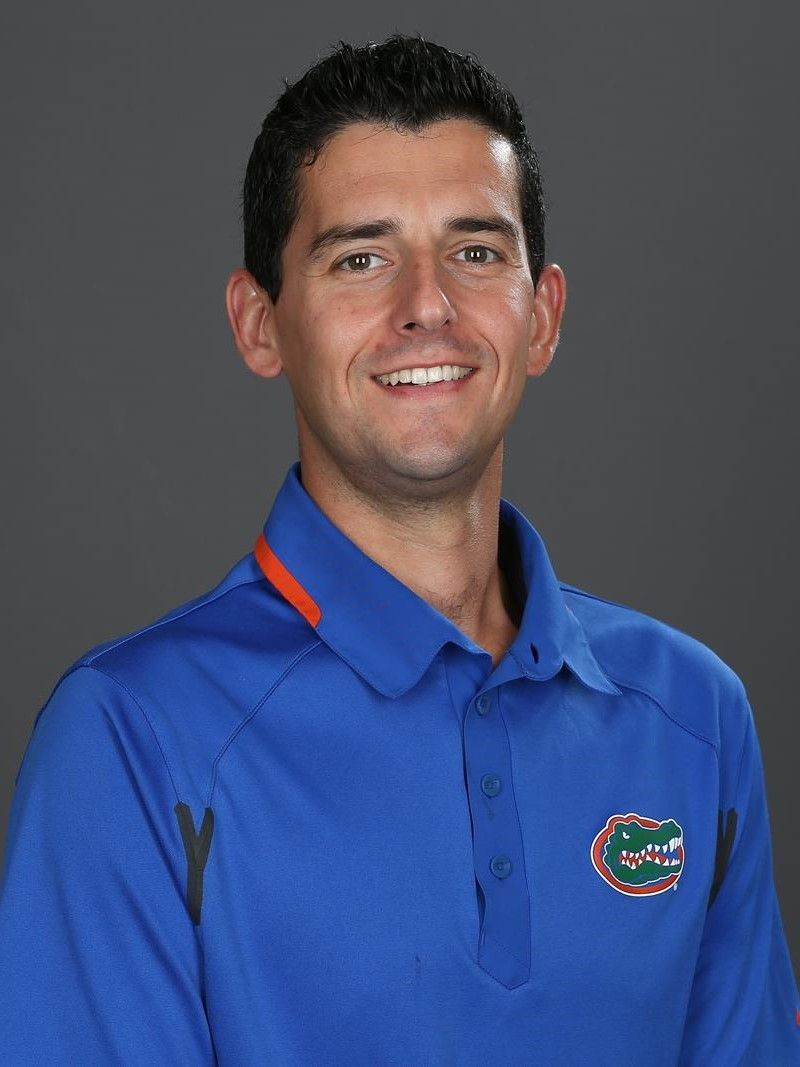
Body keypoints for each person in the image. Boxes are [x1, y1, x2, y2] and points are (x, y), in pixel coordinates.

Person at [0, 32, 798, 1065]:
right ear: (261, 324)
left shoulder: (692, 715)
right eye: (360, 257)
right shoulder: (132, 738)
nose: (426, 305)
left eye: (475, 251)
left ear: (541, 314)